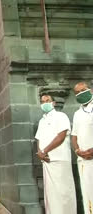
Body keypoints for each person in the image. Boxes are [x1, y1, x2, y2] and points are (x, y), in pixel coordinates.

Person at [35, 94, 76, 214]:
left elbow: (61, 136)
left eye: (47, 100)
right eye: (42, 101)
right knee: (50, 195)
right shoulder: (42, 121)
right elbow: (39, 138)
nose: (45, 103)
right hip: (47, 161)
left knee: (63, 193)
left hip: (60, 160)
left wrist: (45, 151)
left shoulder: (61, 116)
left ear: (53, 103)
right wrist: (40, 153)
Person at [72, 82, 93, 214]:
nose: (81, 93)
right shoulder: (77, 113)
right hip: (83, 161)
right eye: (78, 92)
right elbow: (74, 136)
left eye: (83, 90)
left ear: (90, 90)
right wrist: (77, 151)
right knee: (87, 194)